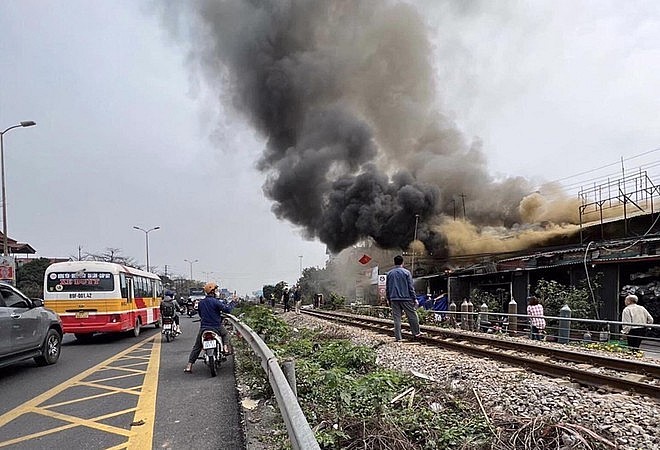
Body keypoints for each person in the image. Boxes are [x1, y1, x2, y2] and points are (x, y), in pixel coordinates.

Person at [184, 282, 233, 373]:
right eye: (216, 290)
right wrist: (233, 302)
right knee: (225, 334)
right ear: (213, 291)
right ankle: (225, 347)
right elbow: (227, 310)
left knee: (197, 346)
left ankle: (189, 365)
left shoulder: (201, 303)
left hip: (204, 328)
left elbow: (201, 314)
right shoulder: (216, 302)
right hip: (216, 327)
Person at [385, 255, 423, 341]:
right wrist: (414, 298)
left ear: (394, 263)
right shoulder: (406, 273)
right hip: (406, 298)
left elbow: (387, 288)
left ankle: (398, 337)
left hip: (394, 299)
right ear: (402, 262)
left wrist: (388, 299)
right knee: (412, 316)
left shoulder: (390, 273)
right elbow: (410, 287)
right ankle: (416, 333)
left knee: (397, 318)